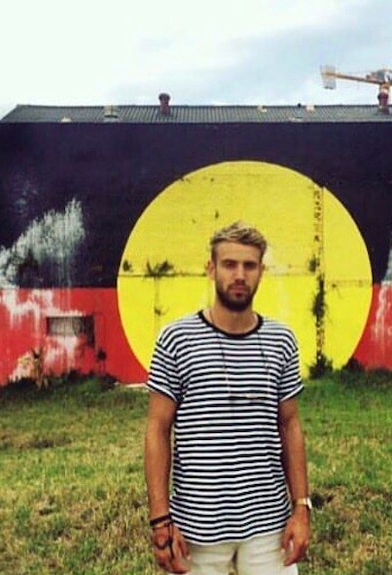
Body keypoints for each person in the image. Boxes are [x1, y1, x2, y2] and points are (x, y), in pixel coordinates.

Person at [144, 221, 311, 575]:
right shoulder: (176, 339)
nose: (240, 275)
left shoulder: (282, 340)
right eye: (229, 264)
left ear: (261, 272)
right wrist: (161, 521)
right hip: (197, 527)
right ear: (211, 269)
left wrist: (301, 507)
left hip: (269, 524)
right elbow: (158, 428)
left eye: (249, 266)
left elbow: (290, 424)